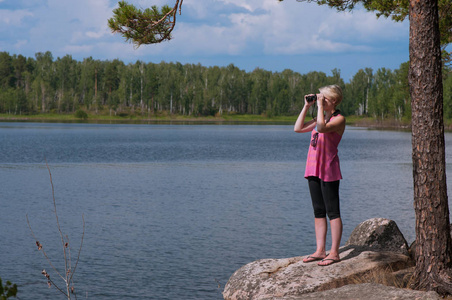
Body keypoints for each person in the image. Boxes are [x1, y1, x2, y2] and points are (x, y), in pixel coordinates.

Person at [294, 84, 346, 266]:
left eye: (324, 98)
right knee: (318, 211)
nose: (320, 100)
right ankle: (320, 250)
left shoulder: (339, 119)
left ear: (333, 100)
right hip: (313, 169)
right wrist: (307, 106)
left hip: (328, 169)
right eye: (320, 97)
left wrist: (320, 107)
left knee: (333, 211)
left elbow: (322, 129)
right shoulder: (321, 118)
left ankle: (334, 253)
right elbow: (298, 128)